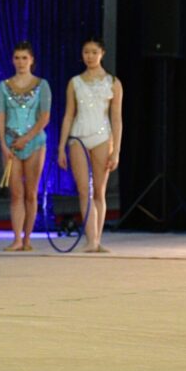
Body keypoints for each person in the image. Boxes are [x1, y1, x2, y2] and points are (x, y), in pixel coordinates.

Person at [57, 37, 124, 253]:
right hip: (78, 137)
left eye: (94, 52)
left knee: (99, 191)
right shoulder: (75, 82)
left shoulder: (113, 82)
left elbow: (116, 119)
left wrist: (116, 150)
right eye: (86, 52)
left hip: (102, 137)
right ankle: (90, 240)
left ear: (102, 53)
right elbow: (69, 115)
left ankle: (97, 239)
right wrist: (61, 147)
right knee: (84, 190)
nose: (90, 56)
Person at [0, 41, 52, 252]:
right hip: (11, 143)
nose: (21, 62)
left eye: (24, 58)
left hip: (35, 143)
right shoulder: (3, 86)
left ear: (32, 60)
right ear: (12, 60)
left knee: (31, 192)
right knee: (16, 193)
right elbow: (0, 117)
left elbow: (45, 117)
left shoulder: (42, 85)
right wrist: (3, 144)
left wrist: (27, 138)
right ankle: (17, 238)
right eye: (17, 58)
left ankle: (27, 239)